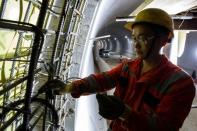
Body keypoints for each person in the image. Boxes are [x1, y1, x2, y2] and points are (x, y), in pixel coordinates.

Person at [44, 8, 196, 131]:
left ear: (165, 39)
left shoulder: (180, 84)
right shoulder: (129, 67)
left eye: (144, 38)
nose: (136, 45)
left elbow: (165, 127)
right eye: (135, 38)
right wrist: (69, 87)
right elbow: (102, 80)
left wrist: (125, 113)